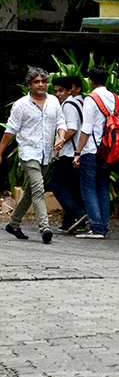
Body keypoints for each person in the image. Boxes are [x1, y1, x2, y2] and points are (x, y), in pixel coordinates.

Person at [0, 67, 67, 244]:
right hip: (29, 153)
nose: (41, 84)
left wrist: (61, 138)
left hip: (46, 154)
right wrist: (0, 151)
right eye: (36, 82)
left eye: (43, 81)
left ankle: (13, 224)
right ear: (29, 85)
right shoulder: (21, 105)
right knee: (38, 189)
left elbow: (61, 121)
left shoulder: (53, 101)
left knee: (30, 191)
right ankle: (45, 228)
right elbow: (10, 130)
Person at [72, 66, 118, 239]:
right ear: (106, 80)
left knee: (89, 188)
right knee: (103, 187)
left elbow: (86, 129)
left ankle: (96, 227)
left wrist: (78, 152)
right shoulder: (116, 99)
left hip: (91, 149)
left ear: (90, 81)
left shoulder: (91, 99)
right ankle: (103, 225)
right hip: (109, 150)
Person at [51, 76, 87, 234]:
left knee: (57, 184)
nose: (58, 94)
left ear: (69, 91)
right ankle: (71, 223)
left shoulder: (68, 105)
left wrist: (59, 144)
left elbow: (71, 129)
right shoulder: (81, 103)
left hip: (69, 153)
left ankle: (78, 213)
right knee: (72, 188)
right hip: (79, 152)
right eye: (56, 91)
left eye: (61, 91)